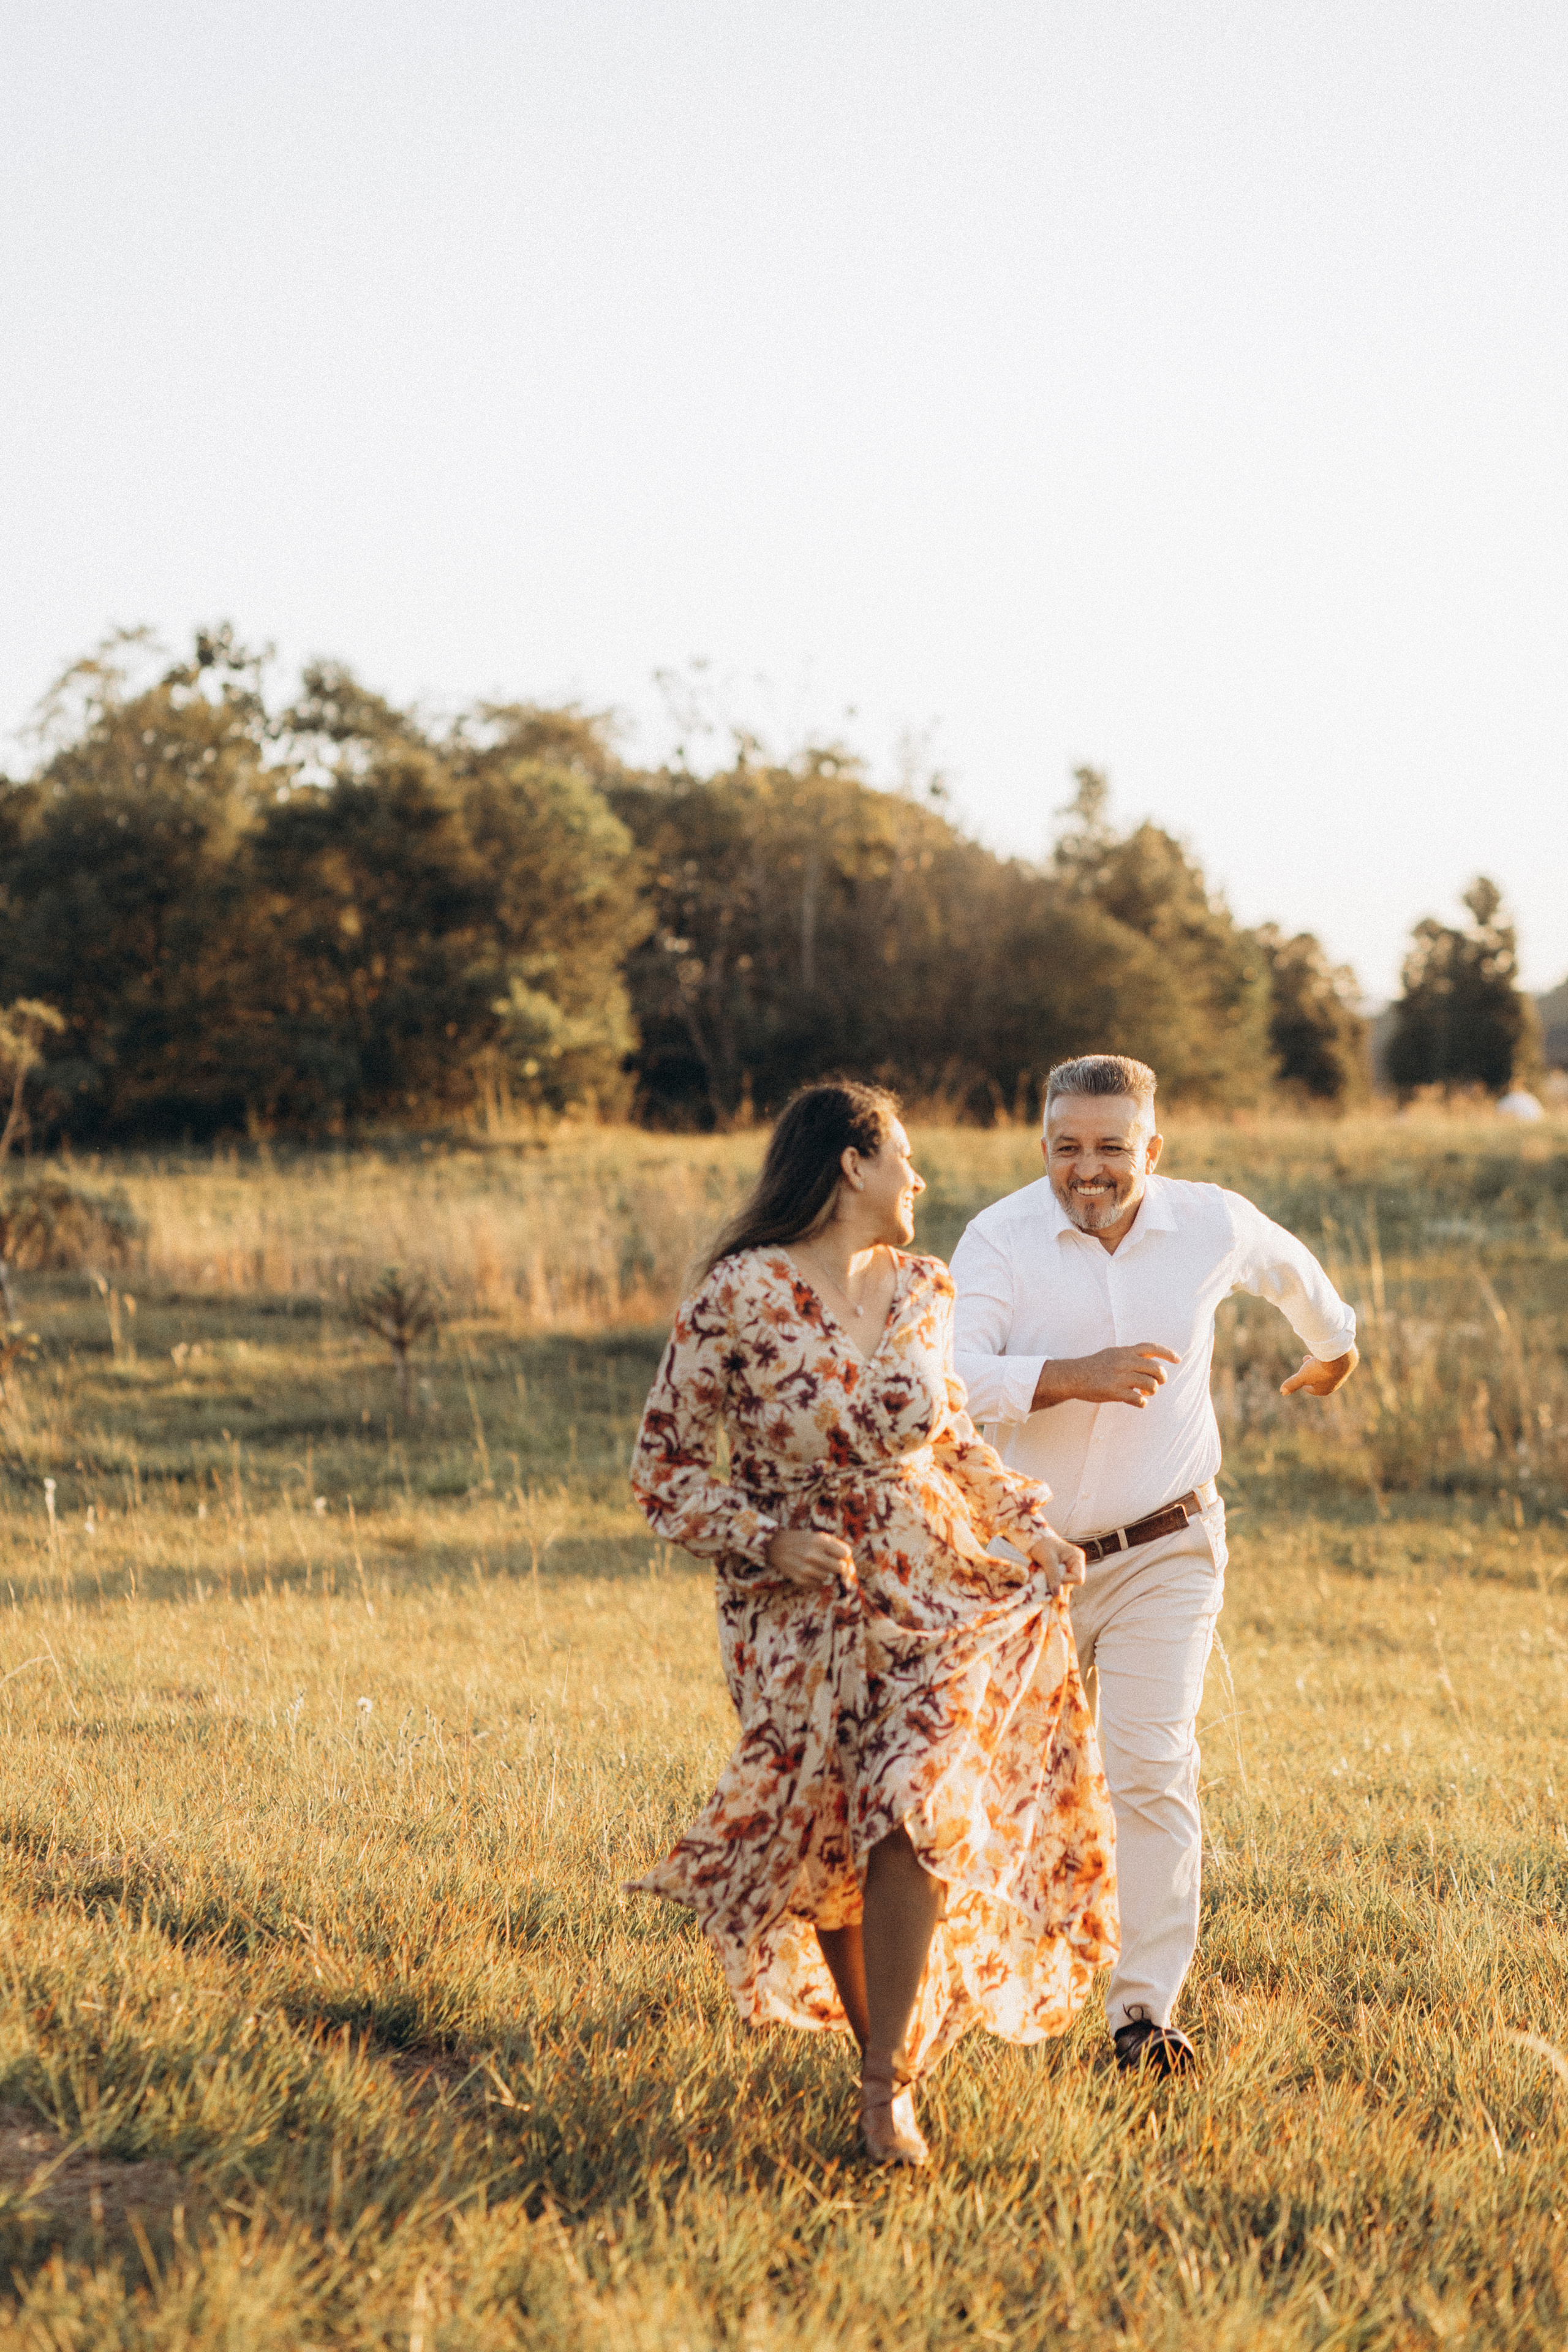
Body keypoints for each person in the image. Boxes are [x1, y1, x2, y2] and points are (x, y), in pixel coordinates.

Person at [627, 1080, 1118, 2168]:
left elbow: (951, 1438)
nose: (919, 1179)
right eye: (904, 1157)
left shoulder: (927, 1287)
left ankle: (886, 2089)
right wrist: (766, 1540)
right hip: (798, 1610)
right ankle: (880, 2060)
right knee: (836, 1834)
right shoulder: (738, 1295)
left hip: (933, 1585)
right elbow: (663, 1468)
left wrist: (1026, 1528)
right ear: (853, 1165)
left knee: (915, 1804)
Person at [951, 1054, 1358, 2075]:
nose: (1087, 1169)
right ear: (1044, 1145)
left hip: (1167, 1546)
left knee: (1150, 1766)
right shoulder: (999, 1238)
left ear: (1152, 1150)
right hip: (1021, 1560)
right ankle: (993, 1979)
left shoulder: (1209, 1222)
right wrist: (1071, 1377)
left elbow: (1288, 1267)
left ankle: (1143, 2016)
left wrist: (1336, 1343)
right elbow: (949, 1380)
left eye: (1111, 1147)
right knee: (1011, 1779)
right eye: (1067, 1147)